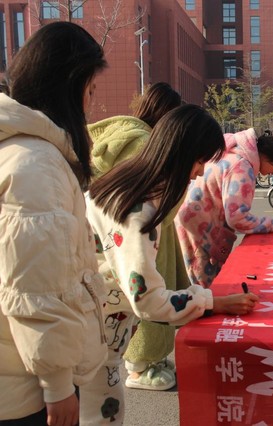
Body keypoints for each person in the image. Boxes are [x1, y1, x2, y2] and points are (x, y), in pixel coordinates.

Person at [84, 104, 258, 425]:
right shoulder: (138, 212)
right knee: (102, 415)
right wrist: (213, 302)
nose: (199, 173)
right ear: (181, 153)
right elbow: (148, 300)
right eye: (199, 161)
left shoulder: (126, 184)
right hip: (90, 341)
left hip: (91, 331)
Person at [0, 22, 108, 426]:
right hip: (25, 386)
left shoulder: (23, 151)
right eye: (90, 89)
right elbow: (36, 286)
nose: (90, 103)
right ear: (69, 85)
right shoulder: (37, 165)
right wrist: (58, 385)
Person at [89, 82, 184, 392]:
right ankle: (141, 365)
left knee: (133, 297)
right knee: (145, 295)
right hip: (139, 233)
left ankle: (145, 361)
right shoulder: (143, 143)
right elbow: (158, 206)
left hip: (119, 237)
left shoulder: (124, 135)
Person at [176, 129, 273, 287]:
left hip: (191, 221)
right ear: (270, 157)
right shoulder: (241, 167)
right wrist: (272, 225)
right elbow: (237, 217)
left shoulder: (233, 153)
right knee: (206, 288)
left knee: (190, 282)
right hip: (200, 232)